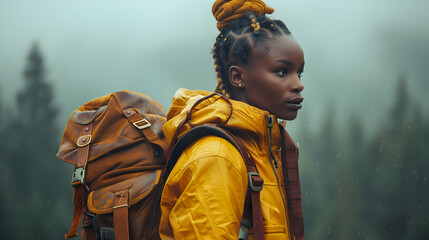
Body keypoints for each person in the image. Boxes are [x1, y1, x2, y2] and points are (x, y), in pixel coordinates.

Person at [159, 0, 305, 239]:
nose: (298, 85)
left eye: (299, 72)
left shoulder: (262, 149)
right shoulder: (216, 157)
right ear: (237, 76)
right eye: (282, 71)